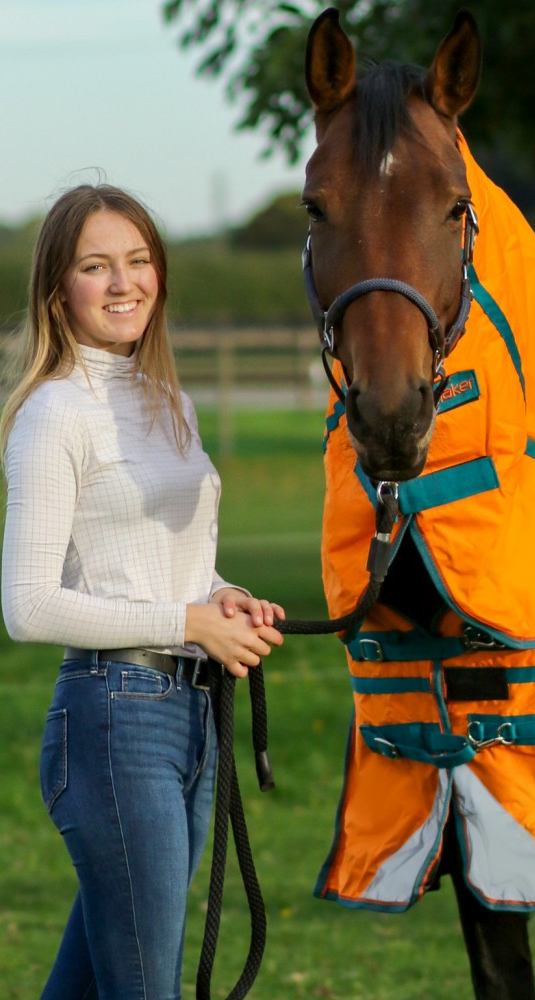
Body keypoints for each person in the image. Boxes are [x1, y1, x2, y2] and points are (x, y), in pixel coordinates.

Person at [0, 184, 285, 999]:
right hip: (113, 717)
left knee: (95, 977)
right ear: (60, 289)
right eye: (96, 267)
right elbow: (27, 604)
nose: (123, 283)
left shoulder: (171, 403)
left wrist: (221, 598)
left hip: (187, 715)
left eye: (137, 261)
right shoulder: (54, 414)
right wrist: (187, 617)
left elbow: (177, 565)